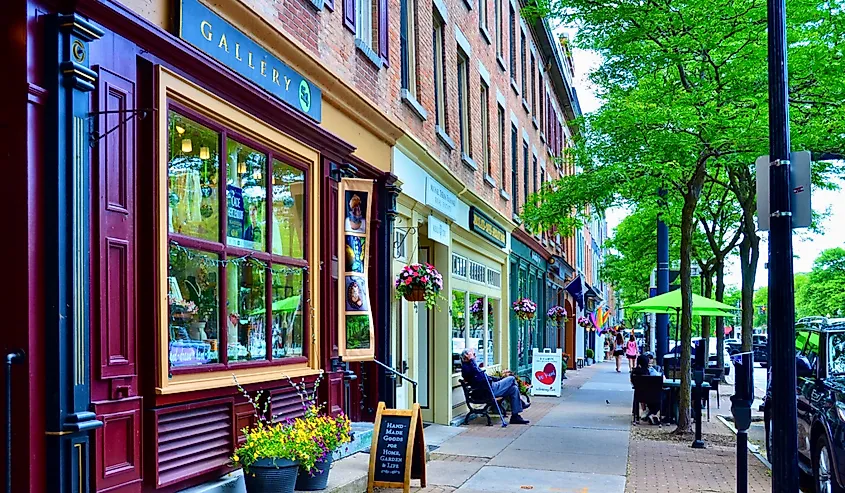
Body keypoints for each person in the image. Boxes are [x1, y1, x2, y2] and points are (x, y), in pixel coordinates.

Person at [460, 348, 530, 424]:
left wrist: (499, 379)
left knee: (514, 389)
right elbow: (479, 376)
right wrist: (471, 360)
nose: (475, 357)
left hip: (489, 388)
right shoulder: (466, 368)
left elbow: (486, 377)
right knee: (512, 378)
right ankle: (521, 402)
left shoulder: (472, 366)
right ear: (466, 357)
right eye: (473, 355)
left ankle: (515, 417)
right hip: (488, 390)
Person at [632, 354, 662, 425]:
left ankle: (647, 414)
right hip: (654, 396)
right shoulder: (649, 372)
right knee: (664, 396)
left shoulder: (634, 373)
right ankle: (651, 414)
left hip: (639, 395)